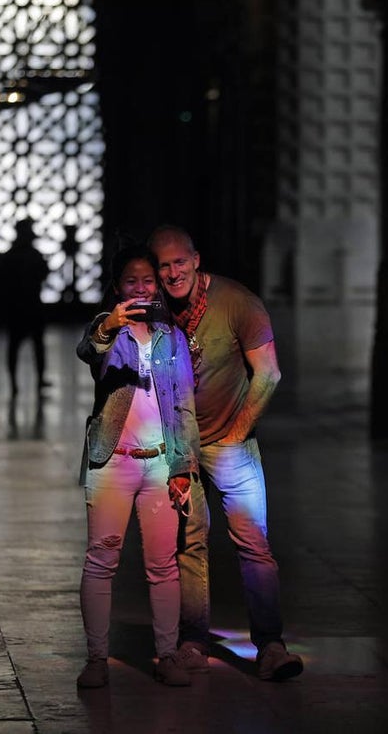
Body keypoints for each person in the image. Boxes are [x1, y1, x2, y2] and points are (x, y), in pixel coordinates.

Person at [146, 225, 303, 682]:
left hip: (232, 444)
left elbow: (268, 374)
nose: (173, 273)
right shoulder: (156, 309)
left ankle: (270, 646)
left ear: (196, 261)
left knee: (253, 544)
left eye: (180, 262)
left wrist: (236, 434)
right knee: (189, 544)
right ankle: (194, 641)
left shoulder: (236, 302)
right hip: (182, 447)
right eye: (163, 266)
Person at [74, 244, 201, 689]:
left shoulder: (172, 337)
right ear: (117, 287)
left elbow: (184, 405)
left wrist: (183, 466)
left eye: (148, 280)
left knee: (164, 566)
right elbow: (88, 350)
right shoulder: (109, 330)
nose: (141, 288)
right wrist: (109, 325)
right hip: (112, 462)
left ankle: (167, 655)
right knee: (101, 560)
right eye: (132, 281)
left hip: (160, 465)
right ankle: (96, 659)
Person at [5, 218, 50, 397]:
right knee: (38, 345)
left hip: (16, 307)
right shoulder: (34, 255)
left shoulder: (10, 255)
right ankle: (39, 381)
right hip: (33, 306)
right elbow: (44, 273)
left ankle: (14, 384)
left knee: (14, 346)